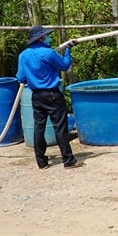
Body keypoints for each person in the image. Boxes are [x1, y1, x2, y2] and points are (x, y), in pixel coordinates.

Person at [16, 26, 84, 170]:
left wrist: (33, 76)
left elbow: (21, 77)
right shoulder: (48, 53)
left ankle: (41, 162)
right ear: (41, 38)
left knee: (39, 128)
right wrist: (68, 51)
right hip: (52, 94)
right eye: (46, 36)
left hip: (36, 96)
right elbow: (65, 66)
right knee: (60, 127)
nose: (48, 38)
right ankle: (68, 160)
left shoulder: (23, 55)